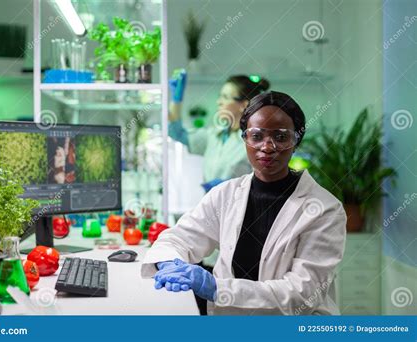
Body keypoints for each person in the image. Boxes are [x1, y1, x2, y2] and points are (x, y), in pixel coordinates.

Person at [141, 91, 347, 315]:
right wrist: (170, 263)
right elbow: (178, 238)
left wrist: (216, 288)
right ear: (244, 139)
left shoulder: (325, 209)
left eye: (280, 137)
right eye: (257, 136)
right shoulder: (225, 194)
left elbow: (303, 295)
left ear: (296, 141)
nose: (267, 147)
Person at [169, 71, 270, 191]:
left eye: (225, 97)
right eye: (220, 96)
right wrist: (176, 99)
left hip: (241, 207)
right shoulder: (214, 135)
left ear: (243, 105)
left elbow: (266, 184)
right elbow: (177, 133)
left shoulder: (255, 141)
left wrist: (233, 187)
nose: (219, 102)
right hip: (211, 205)